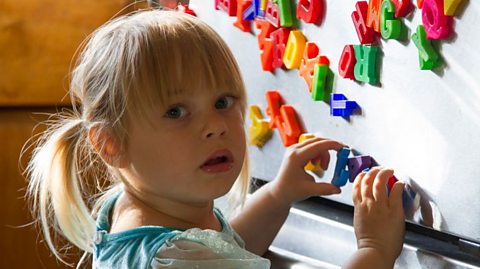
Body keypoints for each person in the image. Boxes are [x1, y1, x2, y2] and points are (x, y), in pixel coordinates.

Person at [24, 9, 405, 269]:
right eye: (176, 112)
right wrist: (375, 250)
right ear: (111, 145)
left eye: (222, 102)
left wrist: (278, 195)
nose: (215, 126)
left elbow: (228, 250)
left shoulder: (145, 210)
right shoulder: (176, 258)